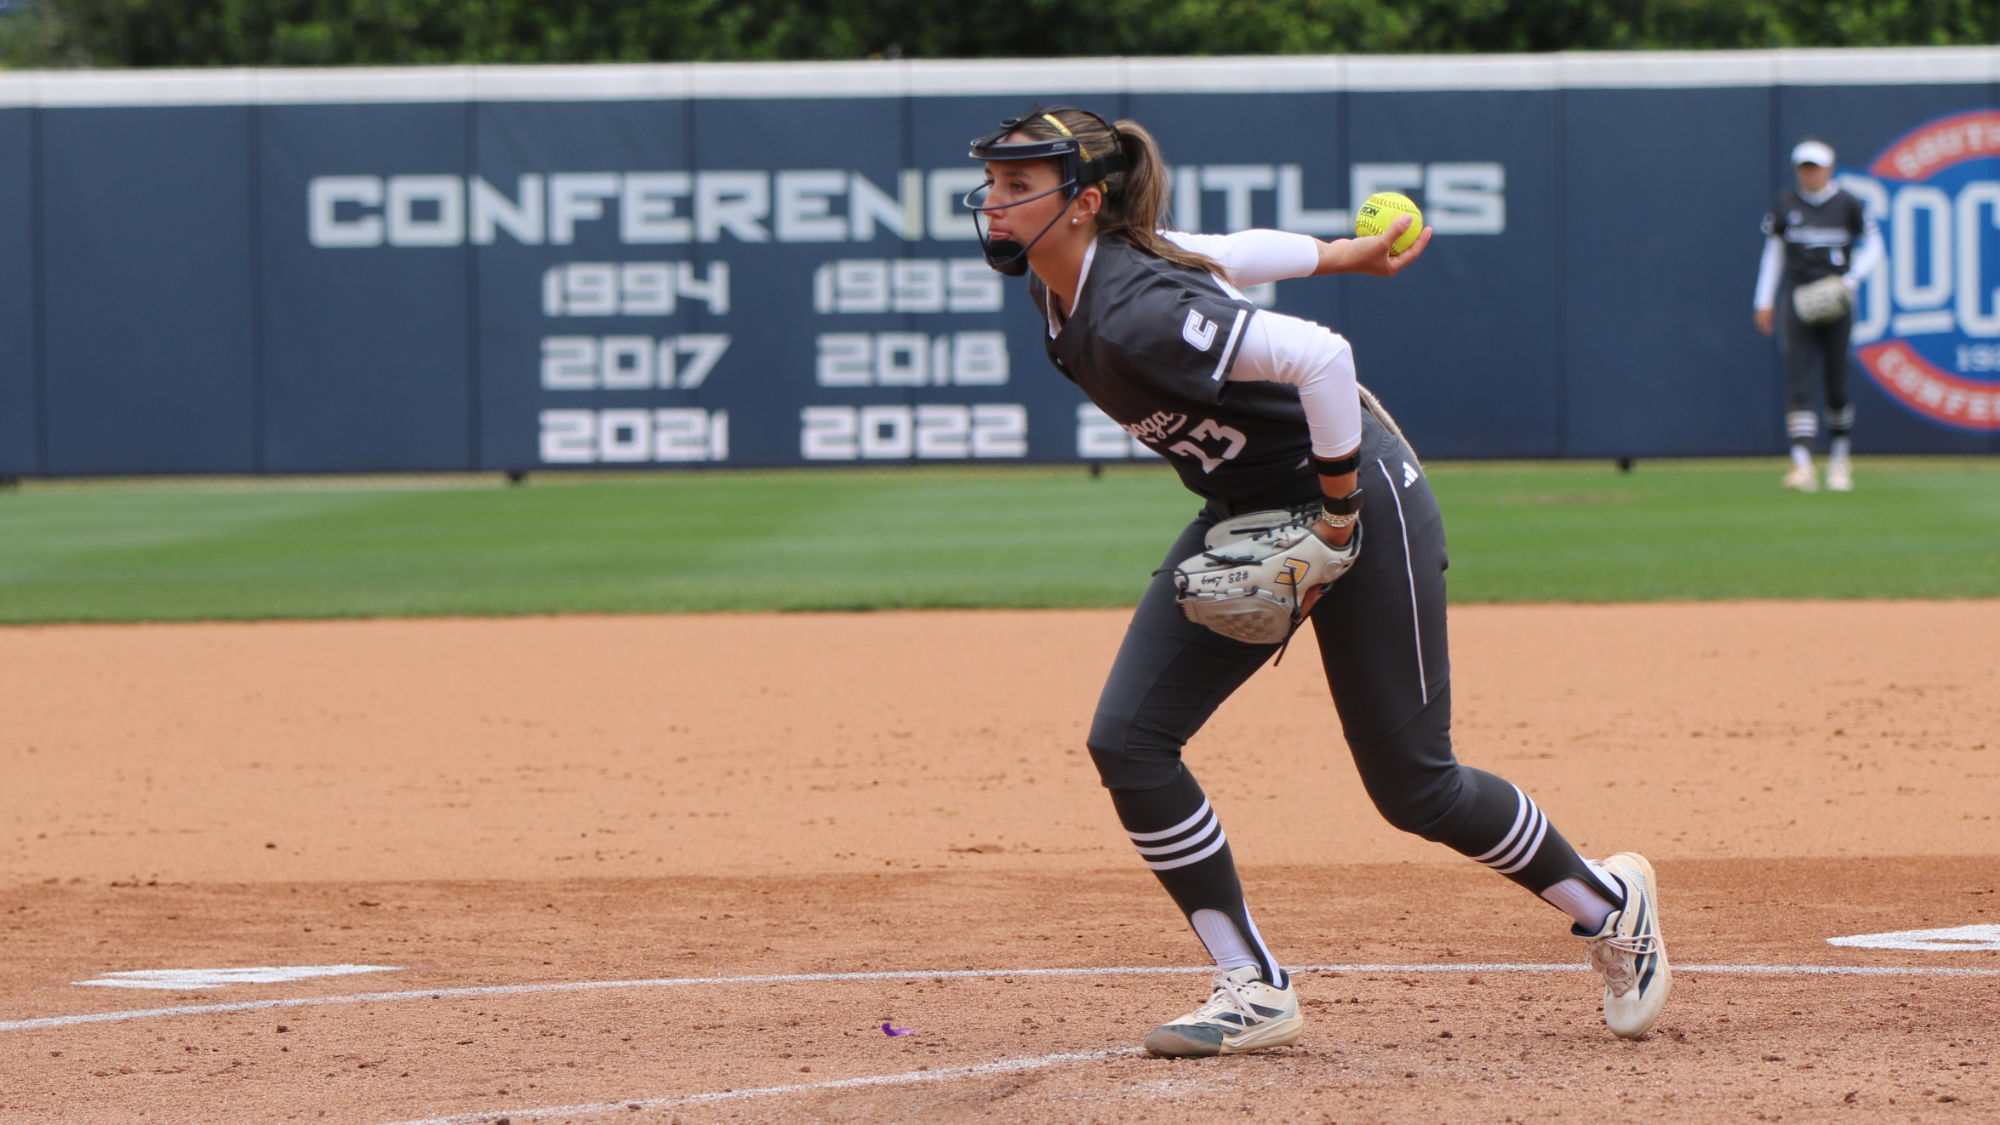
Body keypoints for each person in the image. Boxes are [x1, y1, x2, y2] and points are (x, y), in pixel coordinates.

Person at [964, 105, 1672, 1057]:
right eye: (995, 185)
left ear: (1083, 203)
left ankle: (1610, 906)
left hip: (1359, 503)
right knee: (1129, 741)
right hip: (1249, 516)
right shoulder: (1075, 284)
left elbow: (1320, 357)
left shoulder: (1134, 307)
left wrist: (1338, 507)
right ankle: (1252, 985)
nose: (994, 204)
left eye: (1019, 187)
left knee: (1416, 788)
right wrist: (1343, 252)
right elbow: (1221, 251)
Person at [1754, 138, 1883, 493]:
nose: (1810, 173)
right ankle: (1803, 466)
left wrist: (1852, 280)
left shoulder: (1847, 203)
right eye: (1804, 167)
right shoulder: (1786, 203)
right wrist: (1763, 299)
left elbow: (1875, 244)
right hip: (1797, 299)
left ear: (1829, 168)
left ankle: (1840, 461)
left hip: (1836, 303)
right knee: (1799, 380)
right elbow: (1774, 254)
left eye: (1816, 166)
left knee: (1836, 382)